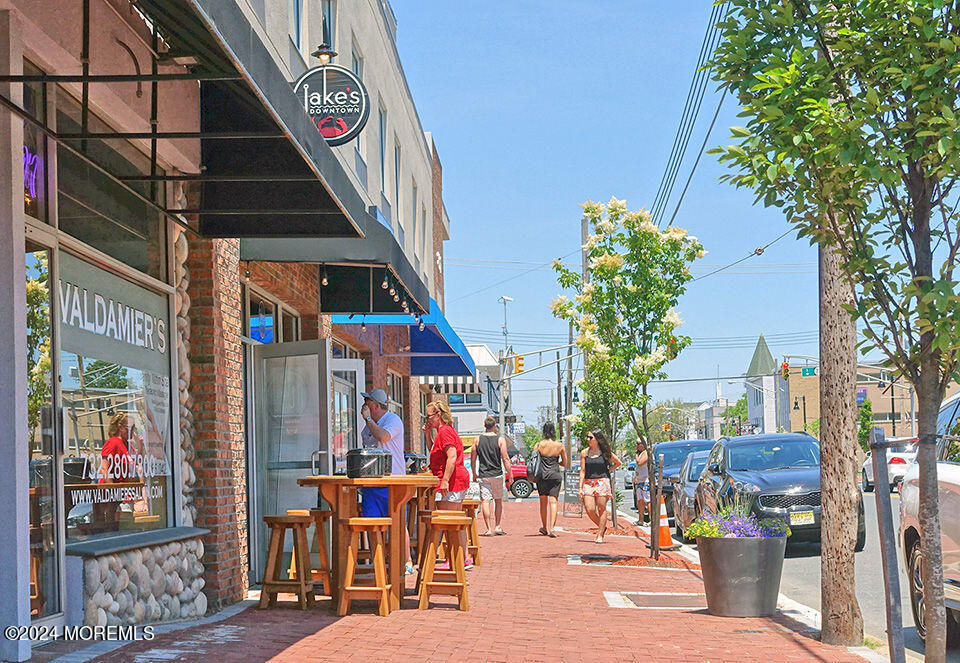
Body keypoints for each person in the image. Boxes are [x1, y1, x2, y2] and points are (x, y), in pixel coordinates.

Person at [359, 388, 413, 573]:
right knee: (373, 524)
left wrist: (367, 420)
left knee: (398, 523)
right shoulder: (370, 425)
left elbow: (383, 436)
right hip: (372, 481)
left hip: (393, 481)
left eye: (367, 403)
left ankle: (406, 561)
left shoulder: (392, 420)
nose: (364, 406)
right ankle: (378, 562)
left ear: (374, 405)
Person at [423, 400, 473, 568]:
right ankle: (462, 558)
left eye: (429, 416)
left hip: (452, 480)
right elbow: (434, 452)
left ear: (438, 416)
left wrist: (444, 481)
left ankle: (454, 559)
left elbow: (451, 456)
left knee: (448, 523)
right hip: (456, 479)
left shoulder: (444, 432)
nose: (426, 419)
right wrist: (427, 434)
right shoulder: (443, 432)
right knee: (455, 522)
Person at [470, 416, 514, 536]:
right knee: (498, 500)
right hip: (497, 474)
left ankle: (488, 529)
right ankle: (498, 526)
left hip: (484, 475)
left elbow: (473, 458)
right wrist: (510, 475)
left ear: (485, 426)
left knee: (485, 500)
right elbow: (505, 458)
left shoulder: (477, 440)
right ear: (494, 426)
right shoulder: (500, 440)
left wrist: (474, 473)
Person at [578, 430, 622, 543]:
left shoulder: (605, 452)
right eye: (587, 437)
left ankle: (600, 534)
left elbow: (618, 462)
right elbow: (582, 471)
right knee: (590, 509)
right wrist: (580, 487)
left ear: (597, 439)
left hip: (602, 481)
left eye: (590, 437)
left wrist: (609, 470)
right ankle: (602, 526)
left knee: (602, 508)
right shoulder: (584, 453)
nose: (588, 439)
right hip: (588, 482)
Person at [534, 421, 567, 537]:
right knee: (554, 501)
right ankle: (552, 528)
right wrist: (557, 463)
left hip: (542, 476)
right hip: (555, 475)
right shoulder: (559, 446)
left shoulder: (539, 445)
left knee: (543, 502)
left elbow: (533, 461)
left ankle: (544, 527)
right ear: (554, 431)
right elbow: (565, 462)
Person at [634, 440, 650, 526]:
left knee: (648, 500)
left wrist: (636, 456)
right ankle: (640, 520)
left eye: (638, 443)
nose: (636, 445)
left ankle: (652, 520)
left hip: (645, 480)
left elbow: (640, 463)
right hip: (639, 480)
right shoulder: (640, 453)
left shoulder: (646, 453)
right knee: (640, 500)